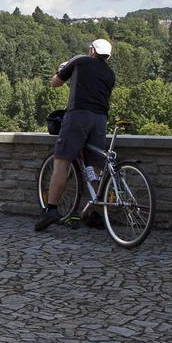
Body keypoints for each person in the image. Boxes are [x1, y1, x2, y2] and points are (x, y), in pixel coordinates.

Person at [35, 38, 116, 232]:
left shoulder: (80, 60)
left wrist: (62, 70)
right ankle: (96, 212)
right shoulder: (110, 73)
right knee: (94, 167)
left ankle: (52, 210)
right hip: (100, 120)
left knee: (61, 162)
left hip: (78, 116)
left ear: (92, 51)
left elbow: (55, 83)